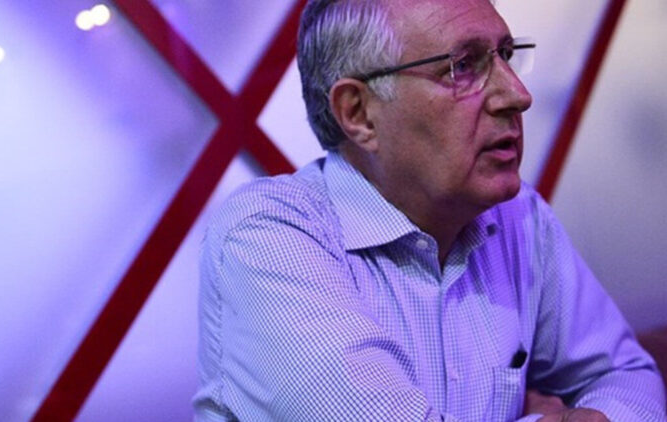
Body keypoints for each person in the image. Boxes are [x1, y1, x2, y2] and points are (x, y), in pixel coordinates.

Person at [194, 0, 667, 420]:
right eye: (463, 66)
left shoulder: (518, 216)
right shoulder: (268, 236)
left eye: (505, 55)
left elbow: (625, 375)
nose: (518, 94)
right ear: (358, 113)